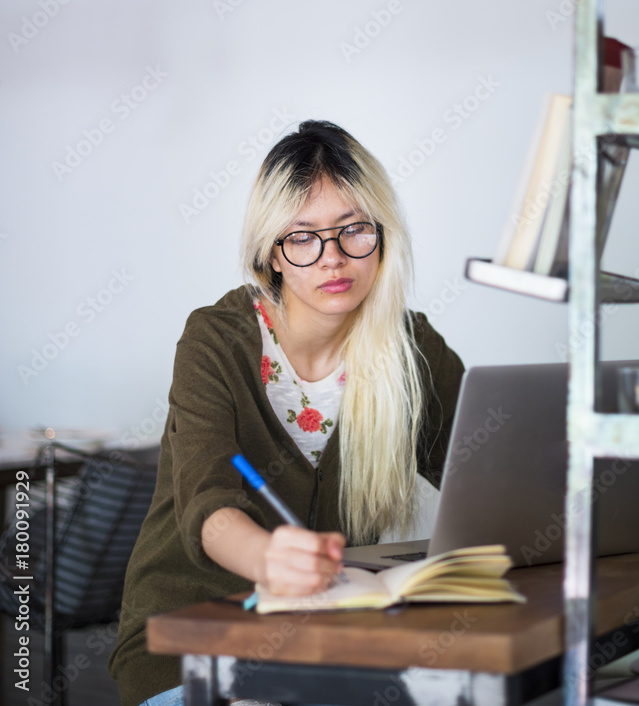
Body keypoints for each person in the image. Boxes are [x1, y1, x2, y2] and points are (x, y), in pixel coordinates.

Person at [108, 120, 465, 706]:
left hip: (327, 649)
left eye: (354, 229)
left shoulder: (411, 346)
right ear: (271, 252)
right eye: (303, 237)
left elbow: (487, 471)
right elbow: (210, 503)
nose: (333, 258)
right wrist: (264, 558)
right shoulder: (216, 341)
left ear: (382, 235)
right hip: (191, 648)